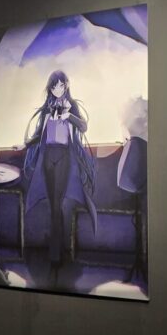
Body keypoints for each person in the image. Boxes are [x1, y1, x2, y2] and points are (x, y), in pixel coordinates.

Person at [23, 70, 97, 265]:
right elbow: (39, 134)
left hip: (64, 157)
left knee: (57, 204)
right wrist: (25, 144)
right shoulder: (46, 108)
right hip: (48, 158)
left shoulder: (71, 105)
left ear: (66, 86)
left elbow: (83, 126)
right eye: (54, 86)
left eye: (61, 85)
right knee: (53, 204)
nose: (58, 89)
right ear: (50, 88)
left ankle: (55, 254)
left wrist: (68, 115)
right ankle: (57, 251)